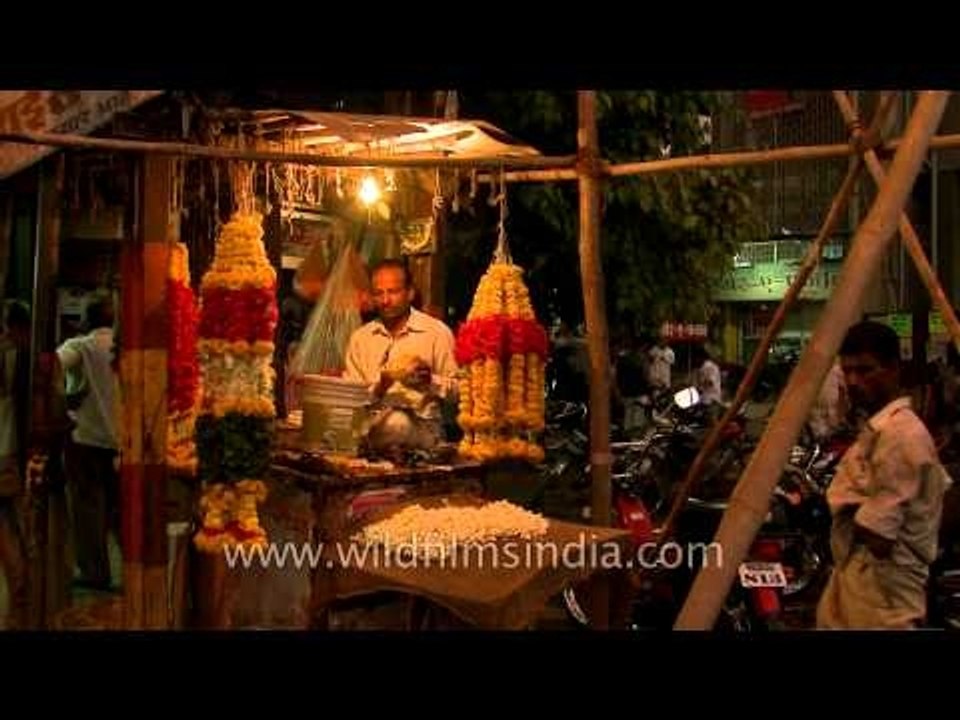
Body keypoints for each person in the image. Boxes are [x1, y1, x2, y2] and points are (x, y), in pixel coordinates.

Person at [816, 321, 952, 629]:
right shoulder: (878, 430)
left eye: (865, 371)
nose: (853, 381)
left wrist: (849, 502)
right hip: (859, 583)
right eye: (847, 371)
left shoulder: (901, 435)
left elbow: (879, 535)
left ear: (893, 369)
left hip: (883, 593)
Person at [56, 296, 120, 591]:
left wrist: (65, 398)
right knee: (118, 510)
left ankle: (94, 571)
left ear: (86, 320)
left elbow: (52, 366)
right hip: (119, 443)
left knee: (87, 511)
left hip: (84, 439)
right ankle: (131, 570)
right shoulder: (123, 349)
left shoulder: (79, 346)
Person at [344, 259, 458, 409]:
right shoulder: (361, 338)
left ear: (410, 293)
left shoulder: (435, 332)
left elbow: (459, 393)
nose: (385, 300)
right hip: (371, 429)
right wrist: (380, 388)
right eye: (379, 293)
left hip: (422, 429)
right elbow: (351, 398)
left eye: (393, 292)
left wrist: (429, 381)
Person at [0, 300, 31, 628]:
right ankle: (18, 598)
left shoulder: (11, 354)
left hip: (7, 450)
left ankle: (17, 596)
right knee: (18, 522)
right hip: (10, 451)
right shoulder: (21, 356)